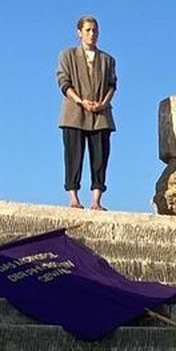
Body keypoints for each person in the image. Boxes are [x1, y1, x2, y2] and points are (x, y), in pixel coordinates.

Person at [56, 15, 117, 210]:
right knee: (73, 156)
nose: (92, 34)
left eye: (95, 30)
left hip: (101, 114)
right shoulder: (67, 55)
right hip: (74, 113)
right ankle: (73, 198)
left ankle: (96, 201)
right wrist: (81, 101)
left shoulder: (108, 60)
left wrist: (102, 104)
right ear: (79, 32)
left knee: (100, 158)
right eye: (88, 30)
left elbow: (112, 85)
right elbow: (63, 82)